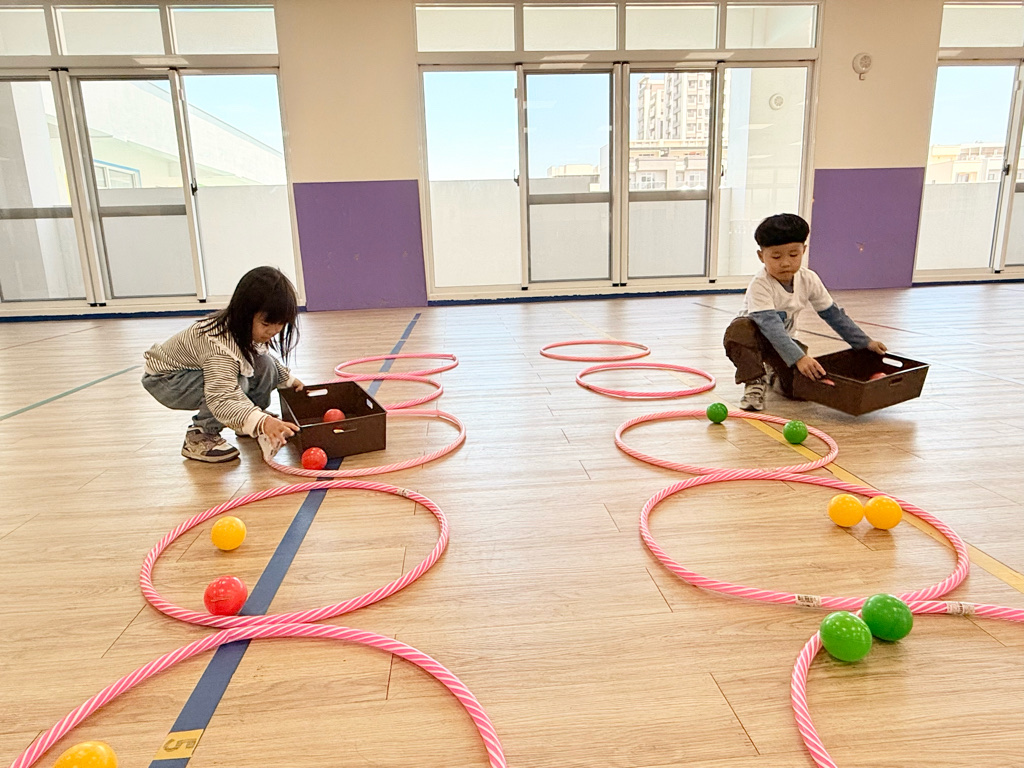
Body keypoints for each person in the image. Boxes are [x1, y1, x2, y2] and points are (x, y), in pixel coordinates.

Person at [723, 213, 887, 411]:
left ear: (804, 250)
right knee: (739, 330)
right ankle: (754, 381)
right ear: (761, 256)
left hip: (785, 343)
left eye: (793, 255)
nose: (785, 263)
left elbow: (834, 315)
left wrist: (865, 342)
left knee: (799, 391)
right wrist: (799, 358)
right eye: (776, 256)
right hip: (754, 341)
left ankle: (773, 376)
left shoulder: (809, 279)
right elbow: (771, 327)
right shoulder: (760, 284)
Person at [142, 266, 304, 462]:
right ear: (244, 315)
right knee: (235, 383)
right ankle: (201, 435)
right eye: (266, 324)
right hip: (166, 381)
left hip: (193, 373)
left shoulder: (244, 330)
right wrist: (263, 422)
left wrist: (289, 380)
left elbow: (262, 357)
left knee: (266, 364)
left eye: (280, 324)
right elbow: (222, 395)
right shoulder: (219, 346)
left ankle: (248, 420)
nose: (273, 331)